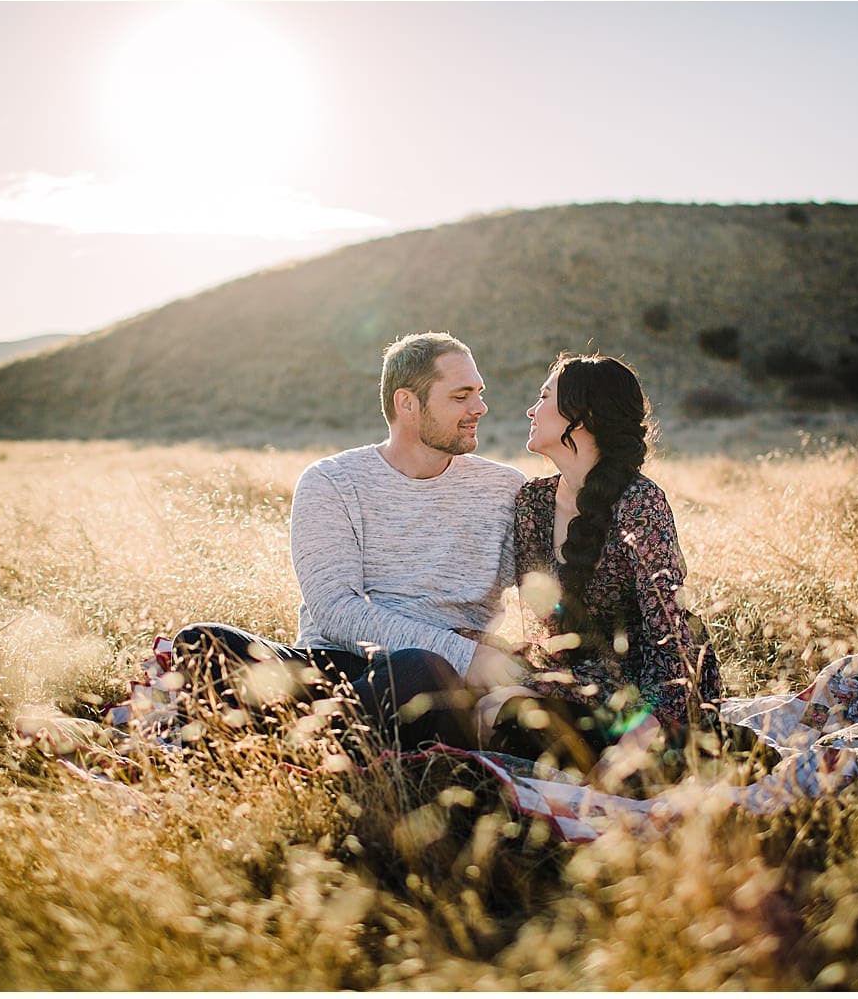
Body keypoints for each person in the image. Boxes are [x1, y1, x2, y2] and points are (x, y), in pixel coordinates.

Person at [172, 332, 526, 754]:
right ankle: (324, 740)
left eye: (479, 393)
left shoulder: (505, 489)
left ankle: (291, 750)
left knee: (420, 669)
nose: (480, 408)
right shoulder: (332, 481)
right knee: (203, 643)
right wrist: (470, 657)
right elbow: (334, 609)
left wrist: (485, 663)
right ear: (407, 404)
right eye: (461, 396)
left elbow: (551, 600)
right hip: (334, 671)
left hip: (436, 684)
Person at [476, 354, 722, 787]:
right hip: (579, 681)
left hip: (647, 691)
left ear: (583, 415)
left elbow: (670, 631)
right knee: (485, 709)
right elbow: (543, 628)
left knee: (512, 717)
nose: (531, 410)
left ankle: (646, 761)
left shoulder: (640, 503)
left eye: (544, 396)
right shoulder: (533, 503)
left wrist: (651, 724)